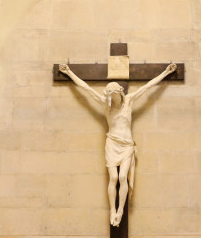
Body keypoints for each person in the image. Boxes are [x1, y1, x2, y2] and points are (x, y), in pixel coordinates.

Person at [59, 62, 177, 226]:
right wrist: (69, 72)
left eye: (115, 96)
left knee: (122, 177)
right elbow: (86, 89)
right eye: (111, 97)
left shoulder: (129, 101)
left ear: (120, 93)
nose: (113, 100)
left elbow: (147, 87)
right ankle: (112, 210)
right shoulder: (105, 103)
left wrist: (166, 72)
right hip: (112, 143)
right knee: (113, 177)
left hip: (126, 144)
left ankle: (120, 210)